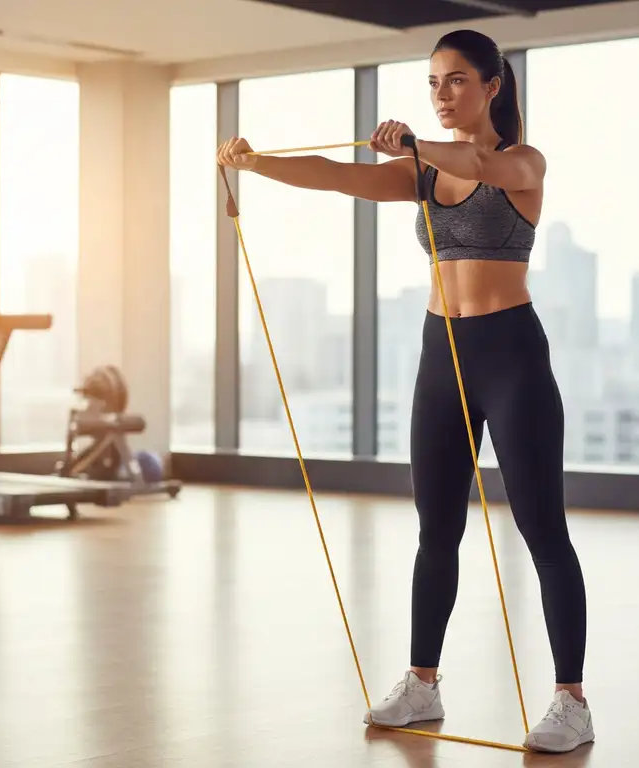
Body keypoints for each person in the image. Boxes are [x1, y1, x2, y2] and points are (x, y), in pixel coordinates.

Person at [217, 28, 593, 755]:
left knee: (543, 529)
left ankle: (571, 701)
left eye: (457, 80)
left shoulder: (522, 163)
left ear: (492, 86)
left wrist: (417, 145)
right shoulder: (421, 173)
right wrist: (255, 163)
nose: (442, 94)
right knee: (435, 530)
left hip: (512, 355)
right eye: (433, 82)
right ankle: (423, 683)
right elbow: (336, 176)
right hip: (440, 354)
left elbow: (476, 161)